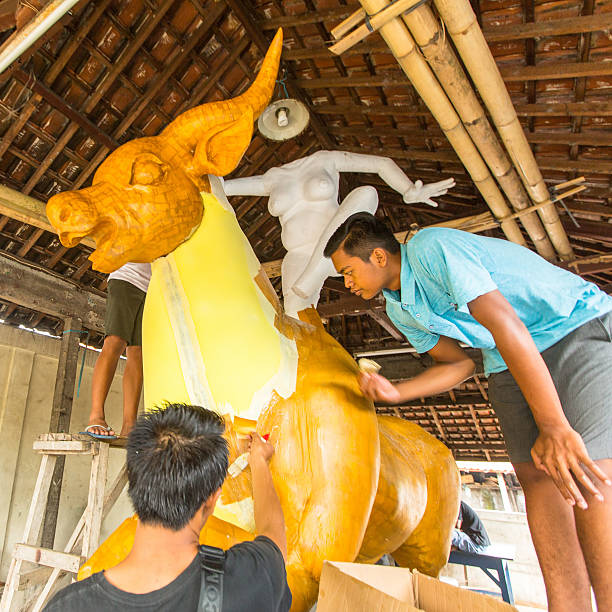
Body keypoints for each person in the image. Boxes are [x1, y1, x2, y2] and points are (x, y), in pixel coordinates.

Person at [324, 212, 612, 612]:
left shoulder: (431, 249)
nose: (347, 284)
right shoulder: (399, 309)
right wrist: (396, 392)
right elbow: (459, 366)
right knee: (537, 482)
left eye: (348, 272)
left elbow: (506, 322)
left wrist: (553, 425)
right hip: (504, 358)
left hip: (573, 325)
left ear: (378, 257)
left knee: (587, 478)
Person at [45, 403, 291, 611]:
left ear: (136, 479)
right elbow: (274, 537)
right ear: (212, 499)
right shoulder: (245, 583)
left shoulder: (67, 605)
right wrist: (259, 461)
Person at [224, 150, 454, 316]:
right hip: (299, 258)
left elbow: (381, 163)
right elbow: (222, 187)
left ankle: (318, 270)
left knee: (366, 193)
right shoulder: (270, 179)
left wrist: (407, 189)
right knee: (296, 319)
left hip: (344, 246)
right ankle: (315, 272)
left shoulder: (324, 159)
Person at [82, 262, 151, 439]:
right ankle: (96, 416)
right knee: (115, 341)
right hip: (127, 278)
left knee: (138, 354)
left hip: (153, 289)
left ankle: (130, 425)